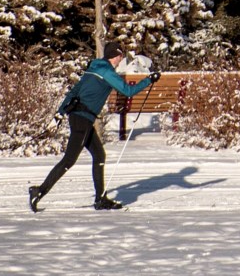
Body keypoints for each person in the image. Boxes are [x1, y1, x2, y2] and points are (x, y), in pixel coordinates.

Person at [29, 40, 160, 212]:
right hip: (83, 119)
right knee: (69, 160)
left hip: (79, 117)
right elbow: (128, 91)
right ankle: (39, 190)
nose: (121, 60)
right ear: (117, 55)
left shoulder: (94, 68)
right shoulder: (107, 71)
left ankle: (100, 199)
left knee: (99, 155)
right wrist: (149, 80)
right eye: (121, 56)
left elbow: (74, 92)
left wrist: (59, 114)